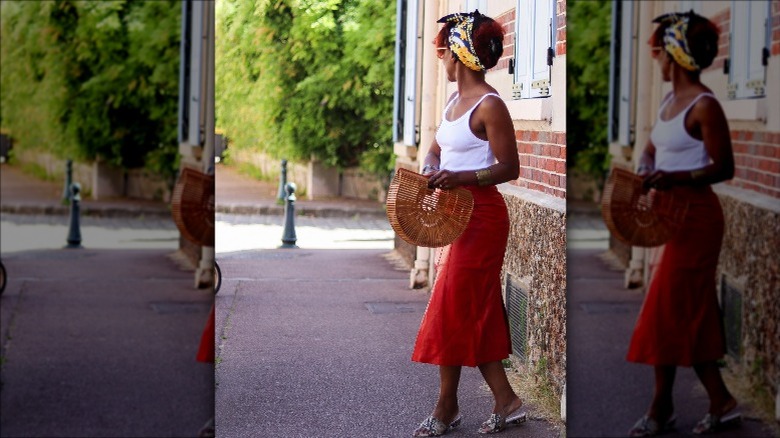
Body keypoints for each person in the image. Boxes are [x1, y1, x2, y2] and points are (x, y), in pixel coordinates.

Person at [410, 10, 524, 437]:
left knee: (452, 306)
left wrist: (461, 178)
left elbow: (510, 168)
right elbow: (437, 149)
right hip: (453, 216)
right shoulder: (453, 103)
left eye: (444, 50)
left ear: (459, 55)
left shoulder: (490, 105)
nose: (441, 58)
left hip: (483, 217)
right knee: (476, 309)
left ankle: (447, 406)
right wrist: (428, 166)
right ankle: (506, 400)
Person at [626, 11, 739, 437]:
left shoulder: (704, 105)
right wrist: (644, 167)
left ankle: (661, 407)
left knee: (666, 309)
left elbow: (723, 167)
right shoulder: (669, 103)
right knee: (691, 309)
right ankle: (719, 401)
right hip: (669, 216)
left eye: (660, 49)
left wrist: (674, 178)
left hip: (697, 218)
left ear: (674, 54)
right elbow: (653, 149)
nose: (655, 57)